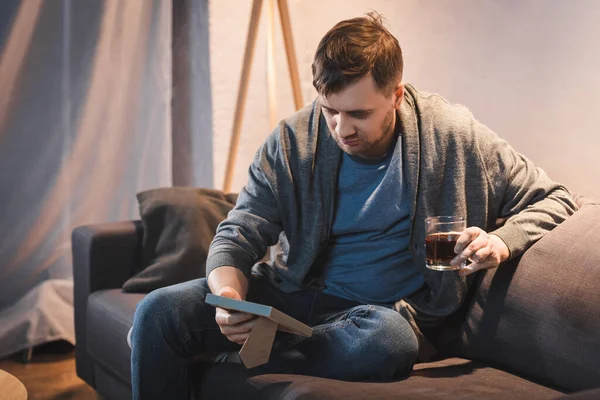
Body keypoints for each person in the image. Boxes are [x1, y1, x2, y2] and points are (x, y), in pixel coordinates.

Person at [130, 12, 577, 399]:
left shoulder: (453, 136)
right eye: (329, 110)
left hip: (374, 317)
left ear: (397, 96)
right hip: (288, 296)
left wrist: (500, 242)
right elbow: (240, 232)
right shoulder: (292, 141)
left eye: (359, 114)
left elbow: (555, 198)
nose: (341, 129)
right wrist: (229, 297)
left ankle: (253, 357)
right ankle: (260, 349)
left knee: (387, 343)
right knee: (158, 311)